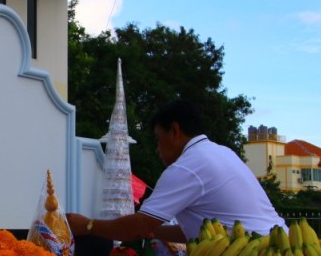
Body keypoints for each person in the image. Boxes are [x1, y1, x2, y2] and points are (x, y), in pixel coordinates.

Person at [67, 99, 286, 244]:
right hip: (280, 244)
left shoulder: (187, 166)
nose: (157, 149)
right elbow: (192, 231)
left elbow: (138, 226)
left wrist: (87, 225)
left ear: (175, 130)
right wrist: (151, 231)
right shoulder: (223, 152)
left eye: (158, 139)